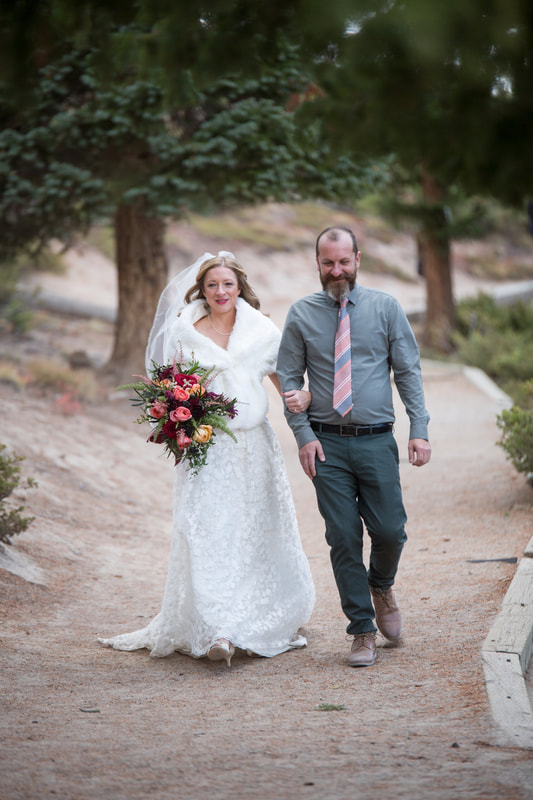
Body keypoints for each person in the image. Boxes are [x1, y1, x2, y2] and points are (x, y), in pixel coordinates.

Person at [99, 252, 315, 666]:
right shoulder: (185, 332)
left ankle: (250, 617)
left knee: (253, 531)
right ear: (202, 289)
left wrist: (302, 398)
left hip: (254, 450)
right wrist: (174, 415)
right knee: (209, 532)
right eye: (213, 285)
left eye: (228, 285)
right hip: (206, 450)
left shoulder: (262, 331)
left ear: (240, 288)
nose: (221, 292)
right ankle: (219, 629)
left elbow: (285, 382)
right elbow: (168, 388)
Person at [277, 226, 431, 668]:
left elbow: (408, 372)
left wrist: (418, 428)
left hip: (377, 439)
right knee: (343, 538)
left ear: (358, 259)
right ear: (318, 264)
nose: (336, 270)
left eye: (344, 261)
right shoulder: (302, 314)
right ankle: (361, 630)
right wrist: (303, 435)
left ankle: (381, 584)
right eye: (328, 263)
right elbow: (289, 380)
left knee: (389, 532)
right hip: (327, 444)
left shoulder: (385, 308)